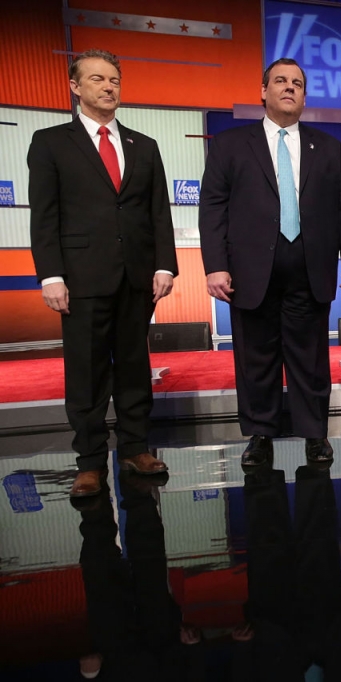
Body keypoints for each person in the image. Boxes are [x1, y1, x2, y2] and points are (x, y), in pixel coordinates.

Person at [199, 58, 341, 469]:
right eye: (281, 82)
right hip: (250, 270)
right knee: (256, 357)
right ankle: (260, 434)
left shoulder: (329, 148)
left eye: (298, 83)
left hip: (310, 268)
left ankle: (315, 434)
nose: (290, 88)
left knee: (310, 358)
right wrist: (215, 265)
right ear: (263, 91)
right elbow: (213, 208)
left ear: (305, 95)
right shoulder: (231, 145)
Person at [28, 49, 177, 498]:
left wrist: (164, 264)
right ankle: (90, 461)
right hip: (81, 277)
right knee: (87, 372)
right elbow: (45, 216)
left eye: (114, 79)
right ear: (76, 86)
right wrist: (50, 275)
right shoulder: (50, 141)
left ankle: (135, 447)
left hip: (136, 276)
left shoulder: (143, 145)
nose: (108, 87)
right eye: (97, 79)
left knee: (134, 366)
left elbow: (158, 213)